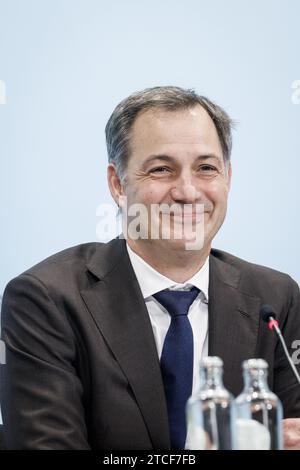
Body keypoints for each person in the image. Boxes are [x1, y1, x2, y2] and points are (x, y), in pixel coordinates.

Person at [1, 86, 300, 450]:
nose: (188, 191)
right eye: (161, 169)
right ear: (117, 184)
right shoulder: (45, 301)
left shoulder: (275, 298)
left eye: (206, 168)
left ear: (228, 179)